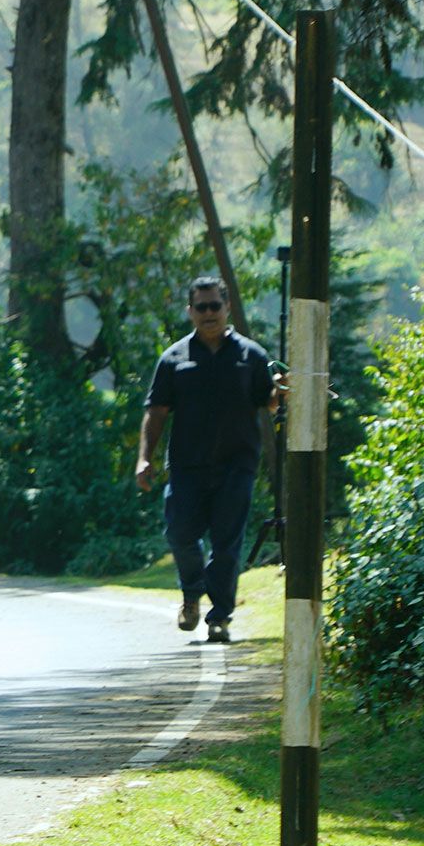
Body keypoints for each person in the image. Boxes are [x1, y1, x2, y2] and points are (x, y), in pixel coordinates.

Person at [135, 275, 278, 643]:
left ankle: (219, 617)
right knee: (180, 533)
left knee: (227, 543)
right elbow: (156, 410)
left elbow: (269, 400)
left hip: (238, 464)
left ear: (227, 307)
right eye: (202, 307)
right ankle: (191, 591)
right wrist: (144, 458)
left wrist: (283, 394)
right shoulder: (173, 359)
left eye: (216, 305)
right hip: (187, 466)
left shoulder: (252, 355)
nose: (209, 313)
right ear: (190, 312)